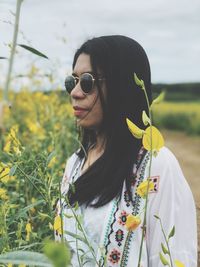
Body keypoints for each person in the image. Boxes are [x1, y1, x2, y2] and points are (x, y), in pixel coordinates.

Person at [55, 35, 197, 266]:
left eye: (88, 81)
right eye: (73, 82)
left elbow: (174, 258)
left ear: (121, 86)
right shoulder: (74, 163)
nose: (75, 93)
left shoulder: (156, 165)